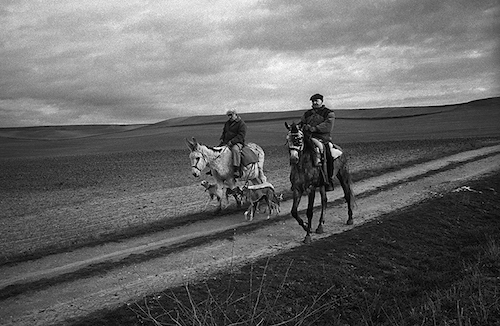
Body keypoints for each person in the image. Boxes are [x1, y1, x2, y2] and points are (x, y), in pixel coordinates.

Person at [299, 93, 342, 189]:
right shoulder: (307, 114)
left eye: (316, 101)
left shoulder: (329, 113)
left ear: (322, 101)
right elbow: (301, 123)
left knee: (327, 154)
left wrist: (313, 128)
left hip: (323, 138)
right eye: (313, 101)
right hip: (308, 137)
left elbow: (328, 125)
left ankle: (328, 179)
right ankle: (298, 180)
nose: (314, 102)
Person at [219, 109, 247, 178]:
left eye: (231, 115)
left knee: (235, 150)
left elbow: (241, 135)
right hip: (226, 142)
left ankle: (236, 169)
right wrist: (222, 138)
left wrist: (232, 142)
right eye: (228, 115)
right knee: (217, 151)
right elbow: (224, 132)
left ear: (235, 115)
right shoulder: (227, 123)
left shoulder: (241, 124)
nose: (230, 117)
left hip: (237, 142)